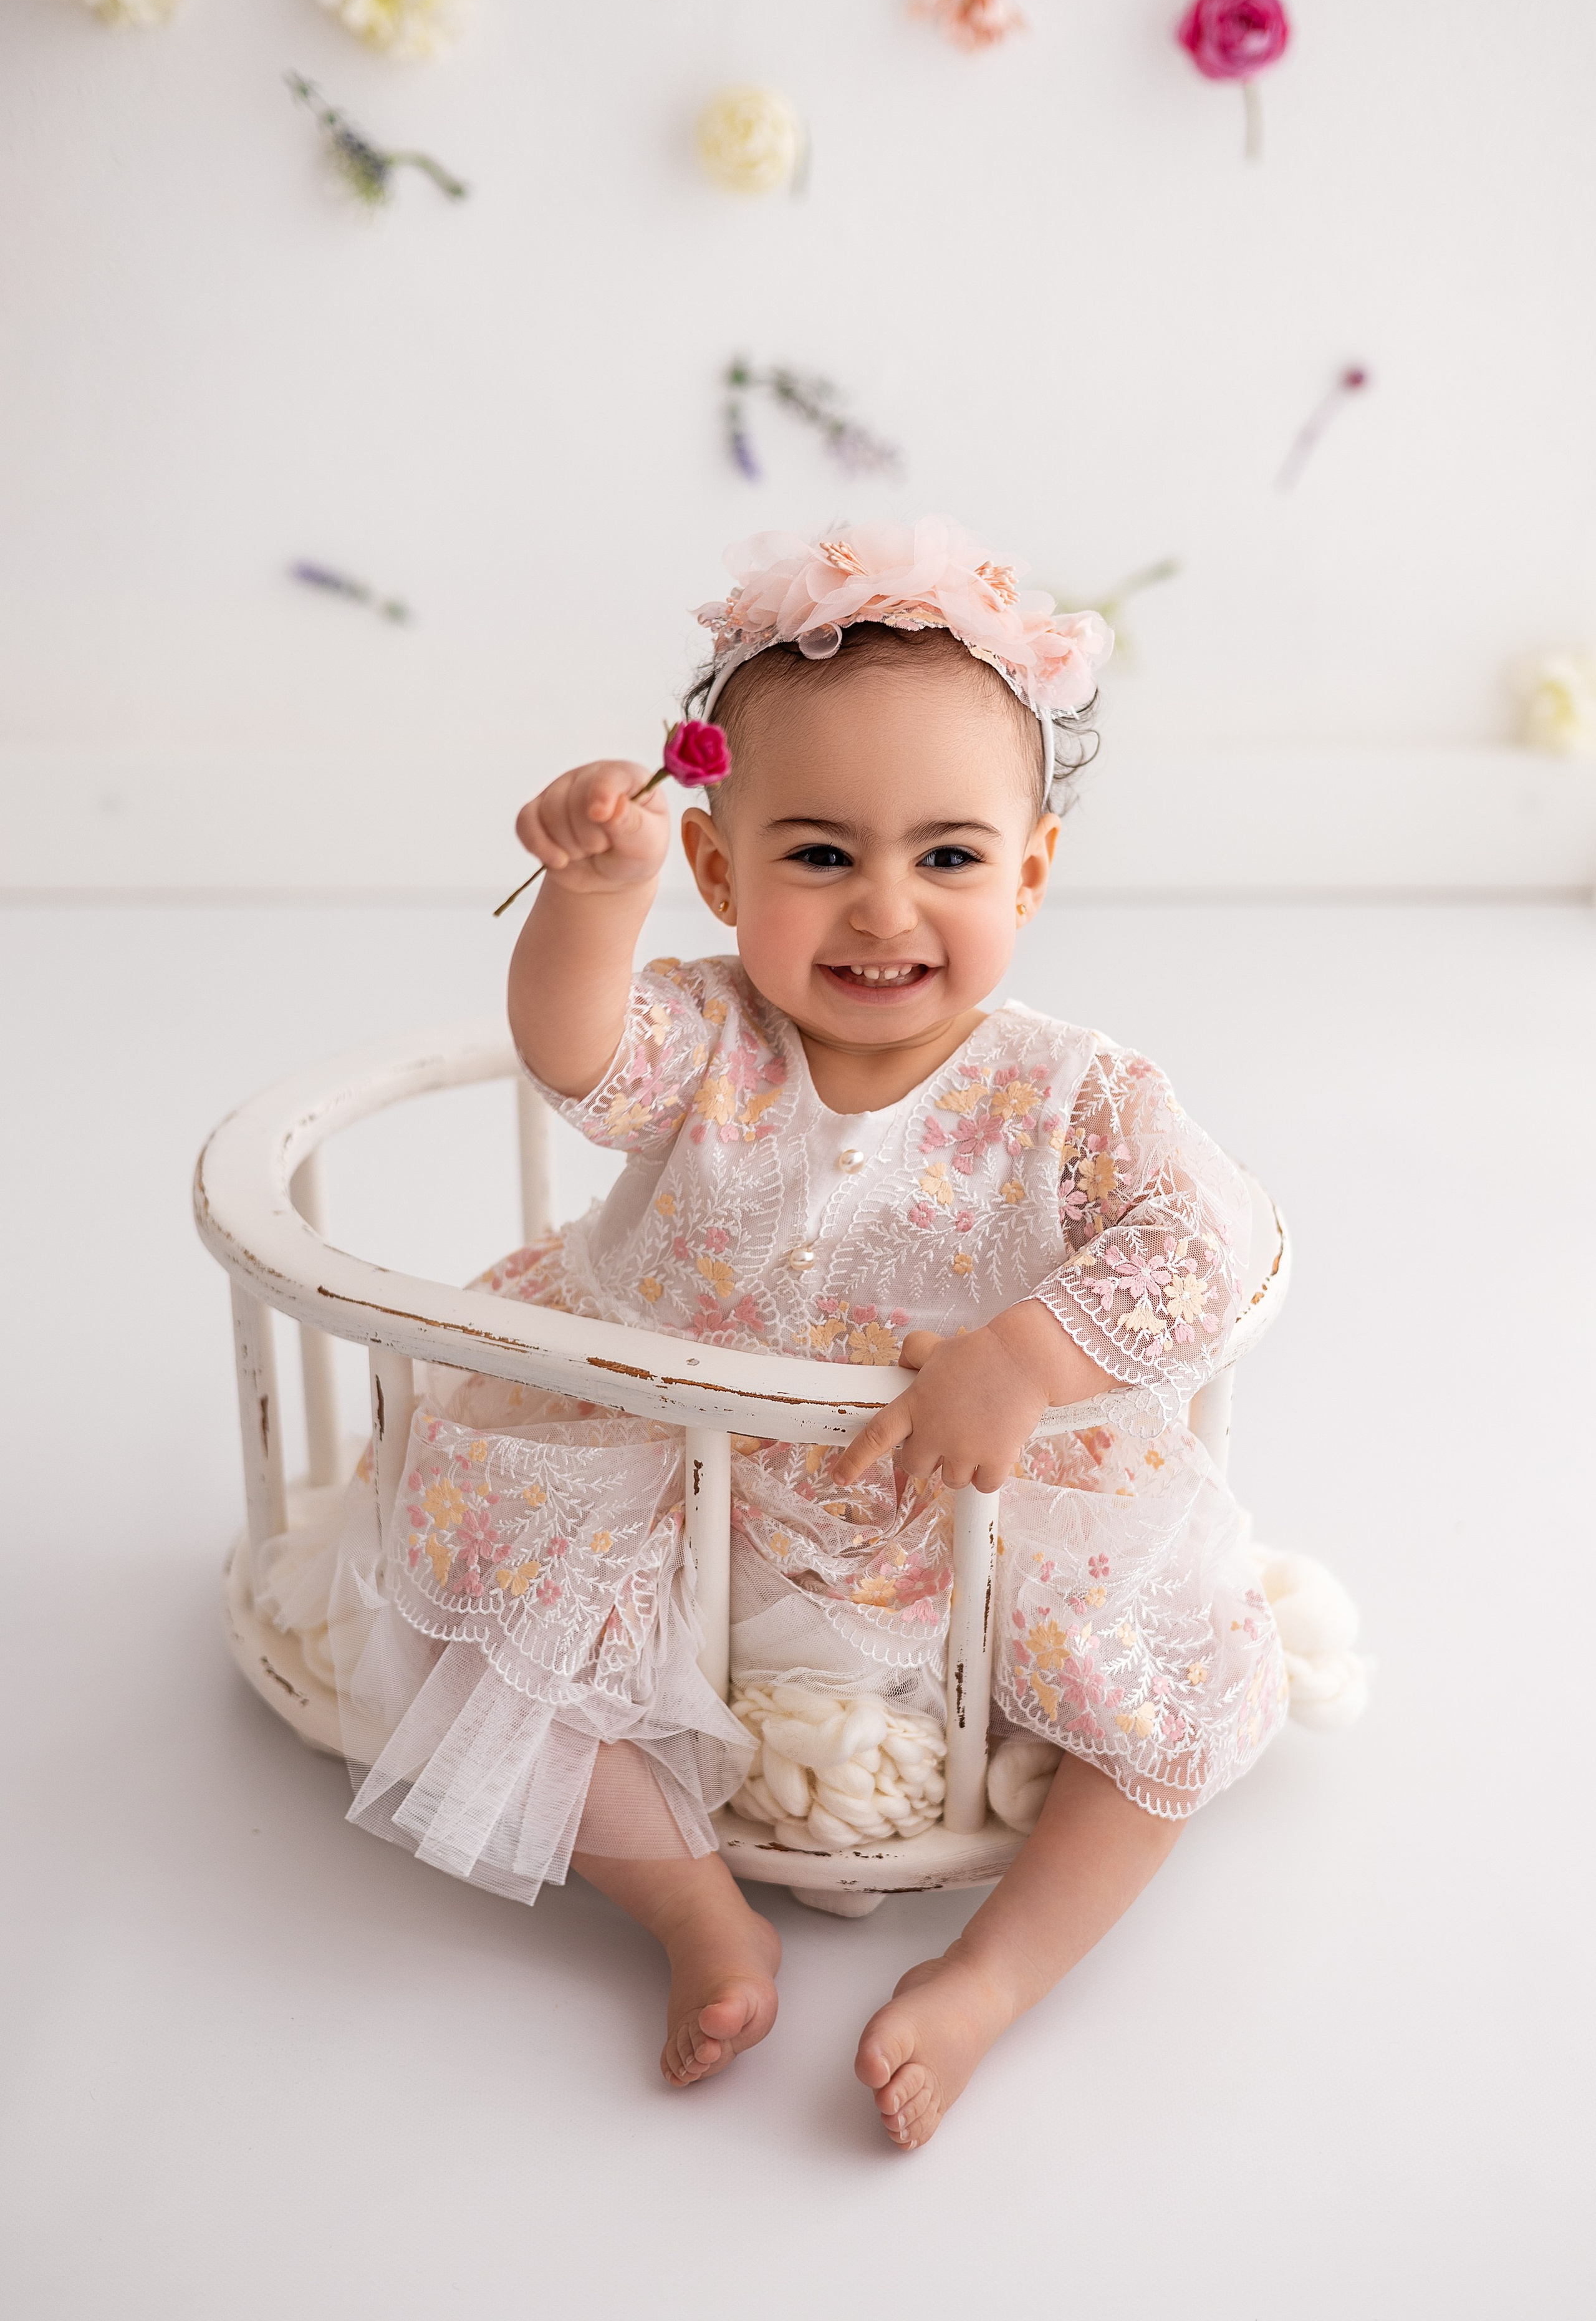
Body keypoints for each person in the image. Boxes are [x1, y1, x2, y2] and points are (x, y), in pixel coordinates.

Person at [262, 518, 1292, 2150]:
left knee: (1175, 1702)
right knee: (477, 1607)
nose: (885, 909)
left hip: (959, 1490)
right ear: (724, 867)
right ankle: (693, 1915)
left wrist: (1027, 1357)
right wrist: (593, 904)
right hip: (669, 1459)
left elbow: (1217, 1240)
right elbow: (575, 1057)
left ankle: (991, 1981)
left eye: (948, 859)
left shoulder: (1075, 1099)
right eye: (820, 856)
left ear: (1028, 869)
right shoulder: (708, 1034)